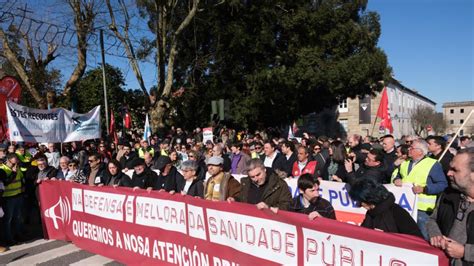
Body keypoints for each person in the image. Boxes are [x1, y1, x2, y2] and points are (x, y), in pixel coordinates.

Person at [392, 139, 448, 240]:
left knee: (422, 237)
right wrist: (397, 179)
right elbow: (398, 175)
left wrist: (424, 189)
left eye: (412, 148)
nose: (409, 149)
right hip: (406, 206)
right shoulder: (405, 163)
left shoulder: (433, 164)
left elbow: (442, 184)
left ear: (420, 151)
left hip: (422, 210)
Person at [427, 147, 474, 265]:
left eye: (455, 170)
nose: (448, 173)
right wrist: (435, 233)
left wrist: (465, 252)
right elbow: (432, 219)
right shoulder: (448, 195)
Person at [349, 178, 423, 238]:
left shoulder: (397, 212)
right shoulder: (371, 213)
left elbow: (416, 239)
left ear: (369, 199)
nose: (359, 205)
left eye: (359, 202)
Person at [0, 153, 24, 245]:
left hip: (18, 195)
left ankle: (18, 235)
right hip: (8, 197)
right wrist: (13, 173)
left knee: (17, 218)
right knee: (8, 219)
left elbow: (21, 178)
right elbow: (5, 183)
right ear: (9, 160)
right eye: (15, 159)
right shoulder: (2, 169)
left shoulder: (17, 168)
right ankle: (8, 239)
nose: (17, 161)